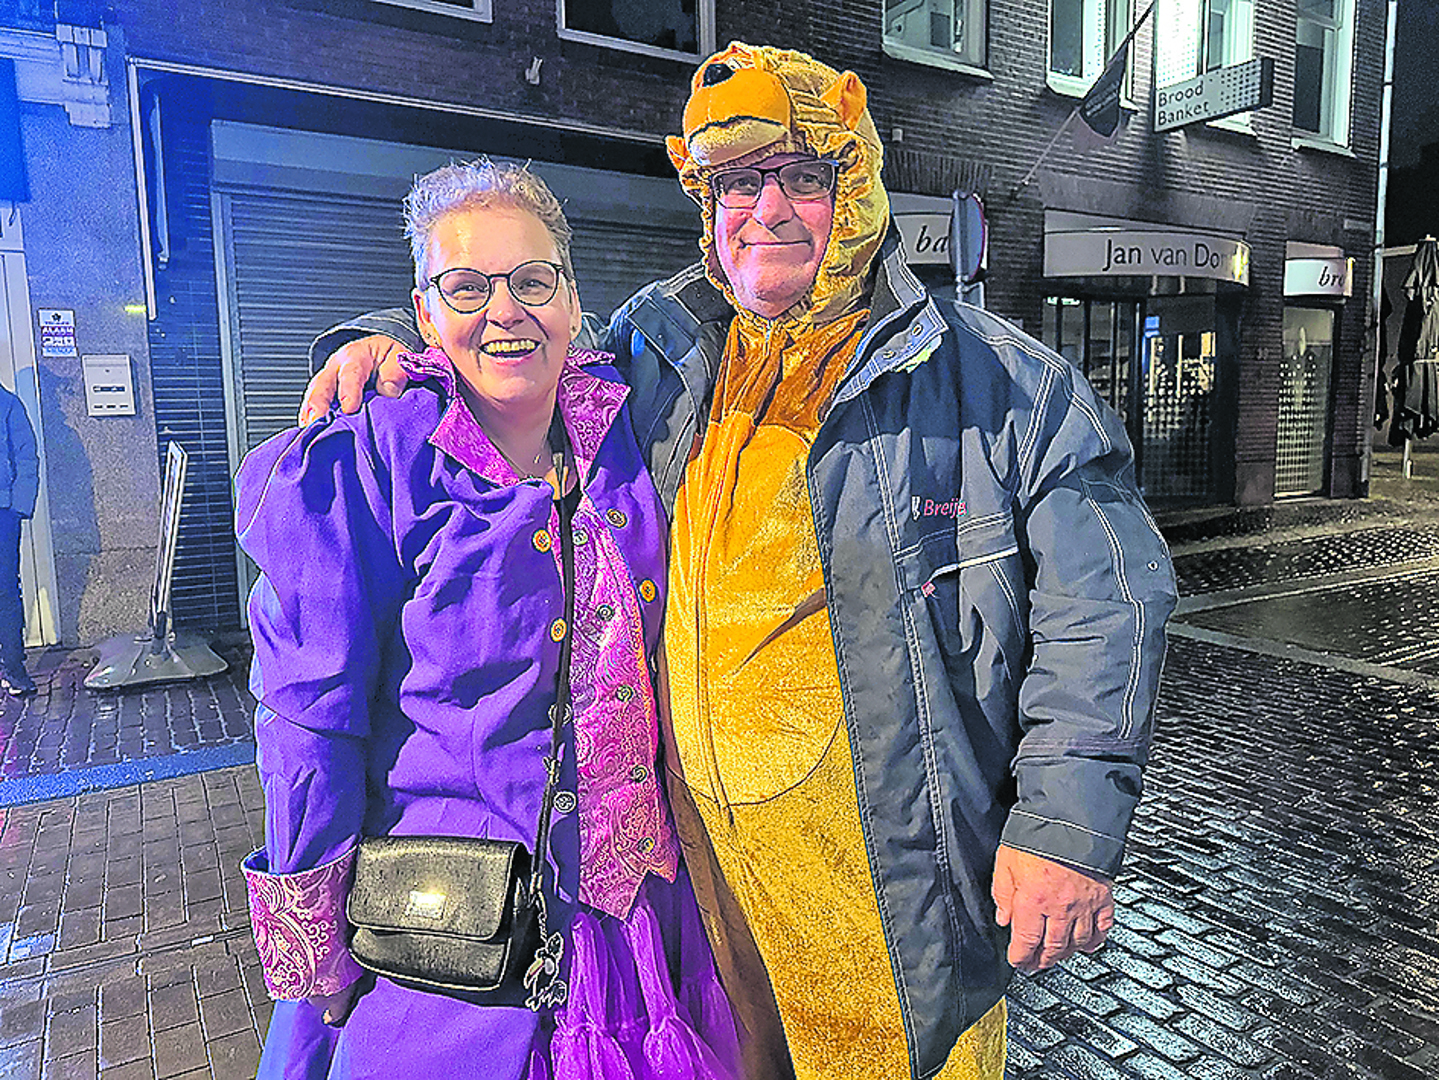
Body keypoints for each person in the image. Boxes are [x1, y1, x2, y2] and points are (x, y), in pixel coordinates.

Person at [300, 43, 1178, 1080]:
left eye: (800, 177)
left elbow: (1106, 607)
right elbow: (511, 336)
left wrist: (1065, 832)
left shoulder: (998, 385)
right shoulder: (664, 348)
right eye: (734, 184)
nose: (764, 210)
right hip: (709, 906)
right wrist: (375, 341)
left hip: (885, 895)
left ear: (853, 189)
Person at [237, 159, 740, 1080]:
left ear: (574, 300)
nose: (504, 310)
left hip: (640, 927)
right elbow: (308, 720)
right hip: (454, 947)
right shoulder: (367, 460)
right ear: (423, 314)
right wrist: (317, 949)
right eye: (465, 287)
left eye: (532, 281)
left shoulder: (625, 420)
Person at [0, 381, 37, 696]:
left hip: (2, 513)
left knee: (5, 592)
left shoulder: (7, 404)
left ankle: (13, 668)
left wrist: (17, 508)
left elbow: (27, 458)